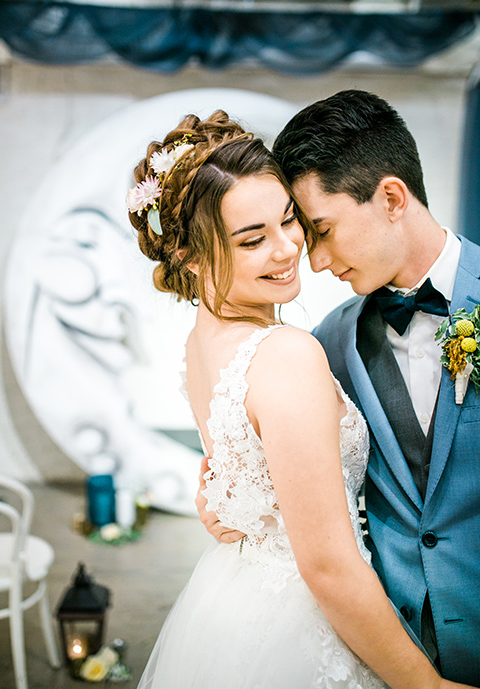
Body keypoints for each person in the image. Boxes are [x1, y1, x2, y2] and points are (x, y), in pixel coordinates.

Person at [128, 109, 475, 689]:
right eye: (253, 239)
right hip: (349, 627)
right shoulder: (315, 344)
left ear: (392, 197)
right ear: (190, 255)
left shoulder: (207, 346)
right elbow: (321, 552)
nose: (298, 253)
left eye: (301, 224)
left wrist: (231, 493)